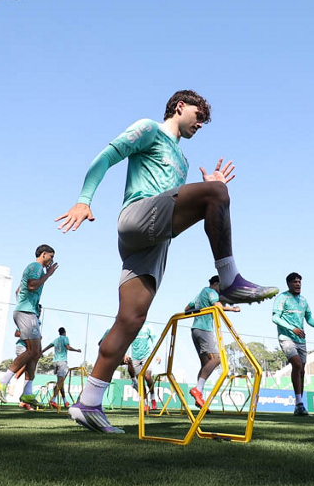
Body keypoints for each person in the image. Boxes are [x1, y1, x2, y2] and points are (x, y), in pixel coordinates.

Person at [56, 89, 280, 434]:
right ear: (180, 106)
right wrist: (84, 200)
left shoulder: (183, 161)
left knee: (130, 320)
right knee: (217, 194)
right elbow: (106, 156)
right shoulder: (149, 129)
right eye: (199, 116)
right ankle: (231, 280)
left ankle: (88, 402)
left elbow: (177, 203)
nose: (200, 124)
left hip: (155, 242)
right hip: (138, 216)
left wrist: (207, 193)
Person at [0, 245, 58, 409]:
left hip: (28, 311)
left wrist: (24, 300)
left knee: (36, 352)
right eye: (51, 256)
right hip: (26, 312)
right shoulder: (36, 266)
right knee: (31, 351)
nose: (52, 260)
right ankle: (2, 381)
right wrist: (49, 274)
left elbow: (19, 290)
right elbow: (31, 285)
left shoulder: (36, 269)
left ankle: (27, 392)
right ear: (43, 254)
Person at [273, 272, 314, 416]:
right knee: (296, 365)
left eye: (299, 282)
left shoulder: (303, 301)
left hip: (301, 340)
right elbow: (275, 318)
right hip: (286, 338)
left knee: (301, 370)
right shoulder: (282, 298)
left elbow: (309, 318)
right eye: (295, 282)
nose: (298, 284)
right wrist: (292, 328)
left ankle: (299, 406)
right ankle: (299, 403)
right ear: (288, 284)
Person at [185, 275, 240, 408]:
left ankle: (199, 397)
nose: (221, 290)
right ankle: (198, 389)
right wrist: (233, 309)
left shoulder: (199, 295)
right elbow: (218, 306)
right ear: (216, 284)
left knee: (205, 365)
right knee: (217, 359)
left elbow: (186, 309)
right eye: (221, 287)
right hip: (205, 329)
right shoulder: (211, 292)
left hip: (195, 330)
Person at [42, 328, 82, 409]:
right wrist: (77, 350)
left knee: (61, 382)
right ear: (64, 332)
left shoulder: (56, 340)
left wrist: (41, 351)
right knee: (60, 382)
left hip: (55, 362)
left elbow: (49, 346)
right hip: (62, 362)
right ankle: (53, 400)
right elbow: (68, 347)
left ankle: (65, 401)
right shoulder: (65, 338)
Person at [127, 324, 159, 411]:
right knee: (140, 381)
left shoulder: (148, 327)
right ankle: (145, 403)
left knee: (147, 376)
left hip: (146, 356)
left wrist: (156, 355)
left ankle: (153, 398)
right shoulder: (131, 327)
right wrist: (126, 354)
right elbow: (127, 341)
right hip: (135, 358)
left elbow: (154, 340)